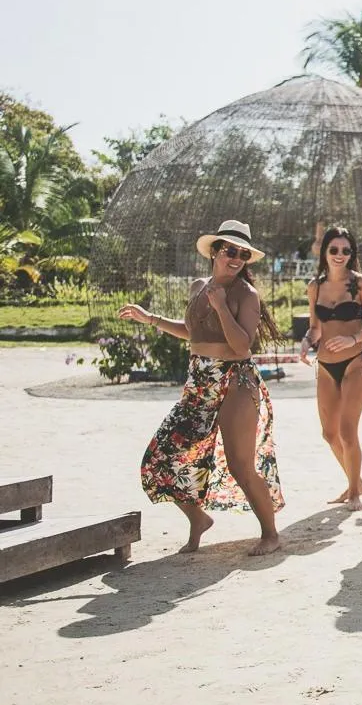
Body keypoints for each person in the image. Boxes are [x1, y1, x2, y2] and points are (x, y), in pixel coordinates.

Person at [121, 219, 284, 555]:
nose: (236, 258)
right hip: (199, 382)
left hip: (236, 381)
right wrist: (150, 318)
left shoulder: (246, 295)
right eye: (230, 250)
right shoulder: (199, 286)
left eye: (242, 253)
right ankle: (198, 518)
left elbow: (242, 347)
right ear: (214, 252)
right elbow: (193, 333)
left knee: (240, 464)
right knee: (161, 455)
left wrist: (222, 306)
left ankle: (270, 534)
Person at [298, 226, 362, 510]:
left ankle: (355, 494)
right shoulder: (315, 286)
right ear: (325, 252)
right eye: (334, 250)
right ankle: (356, 482)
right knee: (329, 434)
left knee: (347, 431)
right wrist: (306, 343)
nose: (340, 255)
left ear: (352, 254)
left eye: (346, 250)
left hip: (356, 363)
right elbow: (315, 327)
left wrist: (352, 338)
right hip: (325, 365)